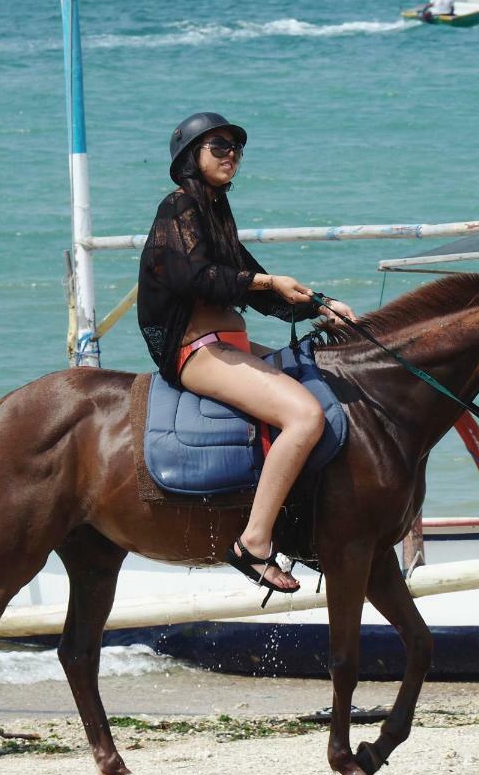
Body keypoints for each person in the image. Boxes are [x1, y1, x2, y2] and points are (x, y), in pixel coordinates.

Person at [137, 112, 356, 596]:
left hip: (227, 344)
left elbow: (256, 286)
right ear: (191, 158)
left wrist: (322, 307)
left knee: (313, 368)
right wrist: (266, 281)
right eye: (219, 146)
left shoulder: (215, 212)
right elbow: (193, 276)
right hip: (196, 351)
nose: (230, 154)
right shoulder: (177, 207)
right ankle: (253, 544)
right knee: (303, 417)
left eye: (236, 148)